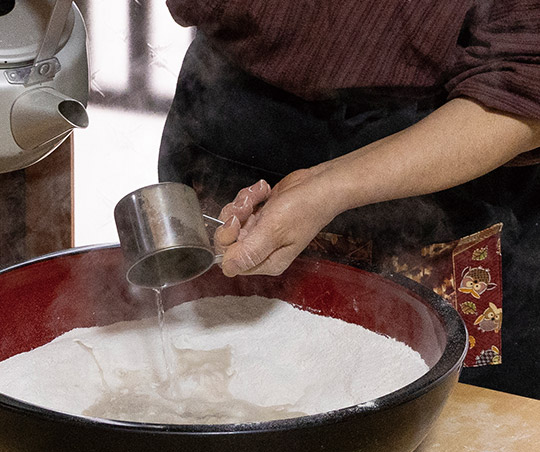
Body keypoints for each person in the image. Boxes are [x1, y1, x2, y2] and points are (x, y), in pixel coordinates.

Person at [158, 1, 540, 398]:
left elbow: (527, 78)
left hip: (449, 148)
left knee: (440, 429)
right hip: (227, 115)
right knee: (209, 397)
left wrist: (325, 187)